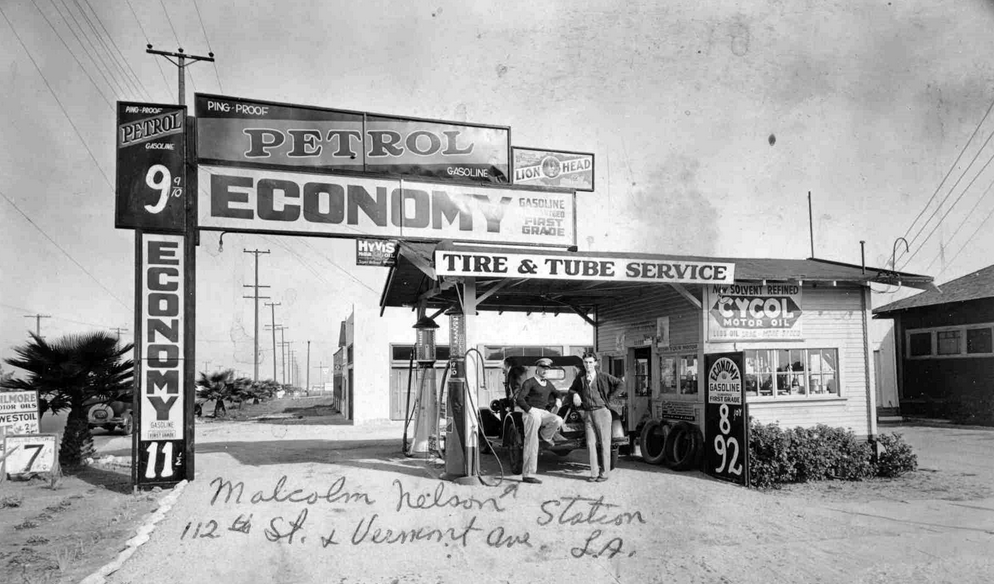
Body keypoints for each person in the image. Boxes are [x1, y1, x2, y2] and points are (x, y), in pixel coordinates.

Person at [568, 351, 622, 483]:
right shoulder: (580, 378)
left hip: (602, 412)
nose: (588, 365)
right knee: (590, 444)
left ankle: (604, 473)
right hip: (588, 413)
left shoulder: (603, 376)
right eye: (586, 362)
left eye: (591, 362)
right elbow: (572, 389)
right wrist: (575, 394)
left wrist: (610, 398)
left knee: (604, 443)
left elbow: (620, 384)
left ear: (596, 363)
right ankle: (594, 473)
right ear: (583, 363)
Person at [514, 357, 568, 484]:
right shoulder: (529, 382)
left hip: (543, 413)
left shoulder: (548, 384)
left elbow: (557, 393)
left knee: (558, 420)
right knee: (531, 442)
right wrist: (529, 409)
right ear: (537, 368)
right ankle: (528, 474)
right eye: (543, 368)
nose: (545, 370)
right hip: (531, 413)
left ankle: (545, 436)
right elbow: (520, 399)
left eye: (547, 368)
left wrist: (558, 399)